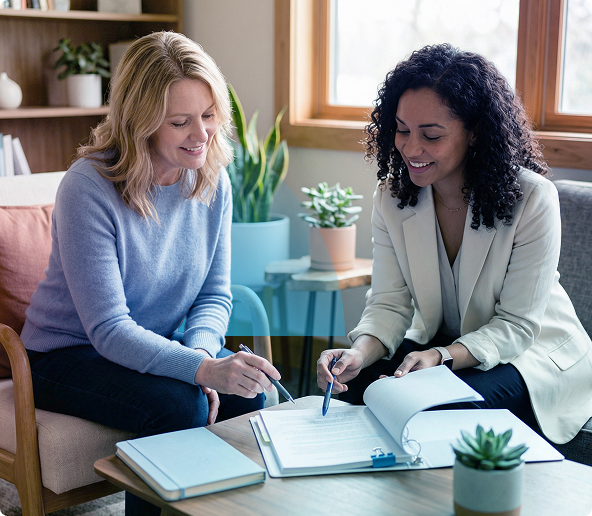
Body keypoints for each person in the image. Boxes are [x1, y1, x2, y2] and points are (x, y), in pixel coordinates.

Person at [22, 31, 281, 516]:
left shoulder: (213, 178)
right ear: (140, 123)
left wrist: (202, 354)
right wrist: (203, 371)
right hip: (66, 353)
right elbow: (109, 330)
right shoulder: (88, 187)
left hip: (158, 338)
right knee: (179, 407)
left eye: (208, 116)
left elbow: (214, 294)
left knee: (248, 396)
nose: (202, 135)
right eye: (180, 122)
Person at [316, 43, 592, 446]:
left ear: (475, 132)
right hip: (444, 344)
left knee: (447, 414)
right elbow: (390, 304)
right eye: (402, 130)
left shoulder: (533, 199)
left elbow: (517, 326)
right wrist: (359, 352)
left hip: (530, 353)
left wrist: (442, 357)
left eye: (431, 135)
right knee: (360, 389)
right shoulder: (392, 197)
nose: (411, 149)